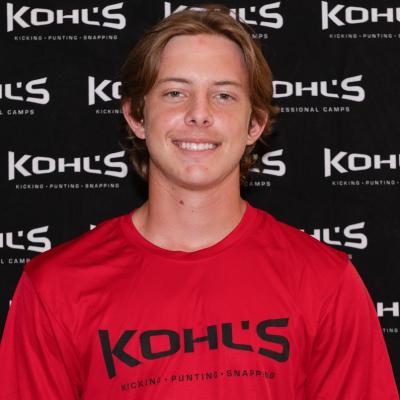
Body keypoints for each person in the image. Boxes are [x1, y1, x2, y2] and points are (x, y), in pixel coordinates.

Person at [0, 6, 398, 400]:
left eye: (224, 95)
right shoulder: (55, 287)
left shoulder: (325, 282)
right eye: (175, 93)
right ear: (137, 116)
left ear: (254, 124)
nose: (199, 114)